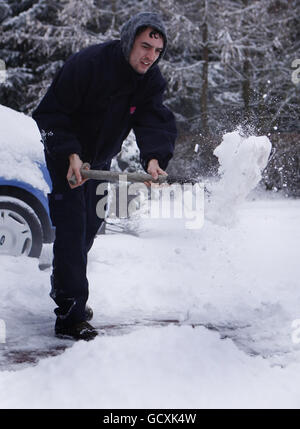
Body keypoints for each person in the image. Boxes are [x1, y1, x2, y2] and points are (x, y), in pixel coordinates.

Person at [32, 12, 177, 341]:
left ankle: (64, 290)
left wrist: (155, 159)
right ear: (128, 41)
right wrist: (71, 155)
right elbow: (51, 113)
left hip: (99, 161)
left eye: (157, 51)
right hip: (66, 156)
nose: (150, 56)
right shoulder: (89, 64)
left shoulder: (149, 80)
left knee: (88, 231)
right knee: (72, 229)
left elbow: (154, 119)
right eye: (144, 46)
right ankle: (70, 314)